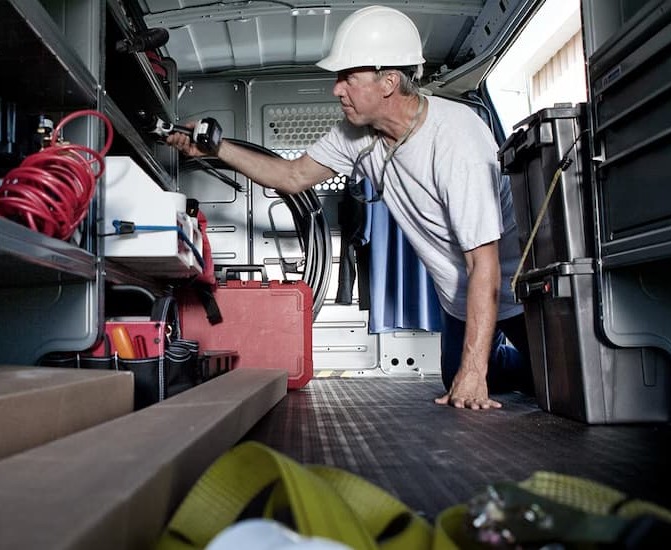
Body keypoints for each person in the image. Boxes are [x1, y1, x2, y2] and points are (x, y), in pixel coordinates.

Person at [166, 5, 533, 410]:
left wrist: (475, 372)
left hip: (513, 290)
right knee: (456, 377)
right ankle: (485, 364)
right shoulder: (355, 135)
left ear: (389, 82)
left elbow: (485, 263)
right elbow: (291, 177)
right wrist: (215, 146)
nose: (336, 89)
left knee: (546, 382)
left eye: (348, 78)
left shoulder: (457, 139)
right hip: (458, 298)